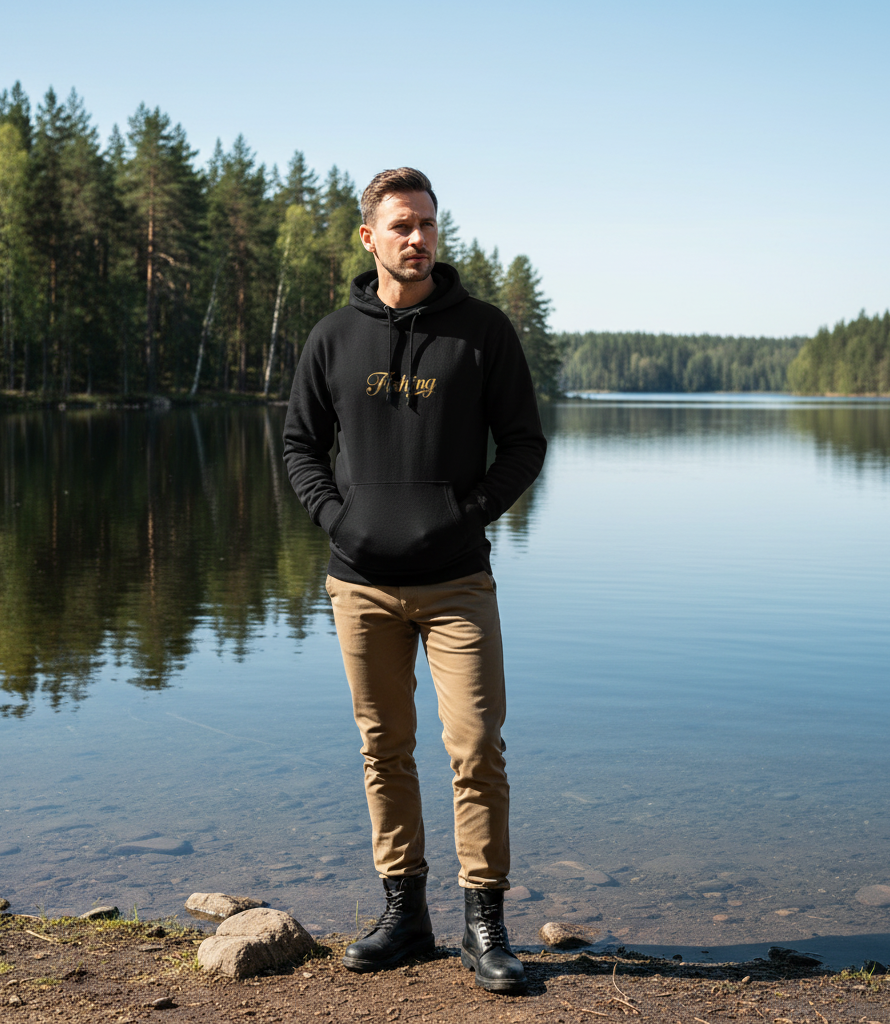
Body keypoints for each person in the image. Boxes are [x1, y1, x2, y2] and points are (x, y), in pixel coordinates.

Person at [282, 167, 546, 995]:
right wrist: (338, 520)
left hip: (458, 581)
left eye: (428, 223)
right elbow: (299, 444)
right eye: (402, 225)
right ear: (370, 237)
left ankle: (484, 923)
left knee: (476, 746)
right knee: (383, 749)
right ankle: (404, 915)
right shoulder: (333, 337)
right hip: (359, 585)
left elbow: (525, 443)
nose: (418, 238)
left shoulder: (483, 332)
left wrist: (469, 516)